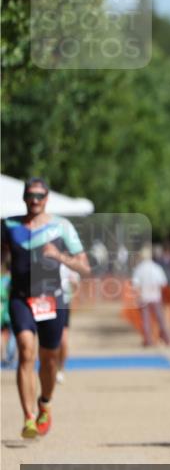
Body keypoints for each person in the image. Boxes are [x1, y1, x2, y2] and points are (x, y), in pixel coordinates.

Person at [1, 177, 90, 438]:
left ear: (47, 198)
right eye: (31, 195)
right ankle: (28, 417)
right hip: (20, 298)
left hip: (52, 299)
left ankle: (45, 403)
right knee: (26, 352)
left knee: (49, 360)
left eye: (40, 196)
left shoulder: (62, 226)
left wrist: (59, 255)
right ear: (24, 197)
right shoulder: (9, 225)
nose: (35, 201)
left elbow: (84, 266)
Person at [132, 245, 170, 347]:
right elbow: (163, 283)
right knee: (160, 319)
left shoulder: (139, 269)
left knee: (146, 320)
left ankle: (148, 340)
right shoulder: (157, 268)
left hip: (144, 297)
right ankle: (167, 339)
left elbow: (135, 285)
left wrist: (138, 297)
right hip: (156, 297)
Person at [56, 263, 81, 384]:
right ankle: (50, 367)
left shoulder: (69, 265)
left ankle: (60, 369)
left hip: (63, 306)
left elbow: (76, 285)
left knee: (63, 342)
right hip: (48, 305)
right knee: (50, 342)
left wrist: (74, 284)